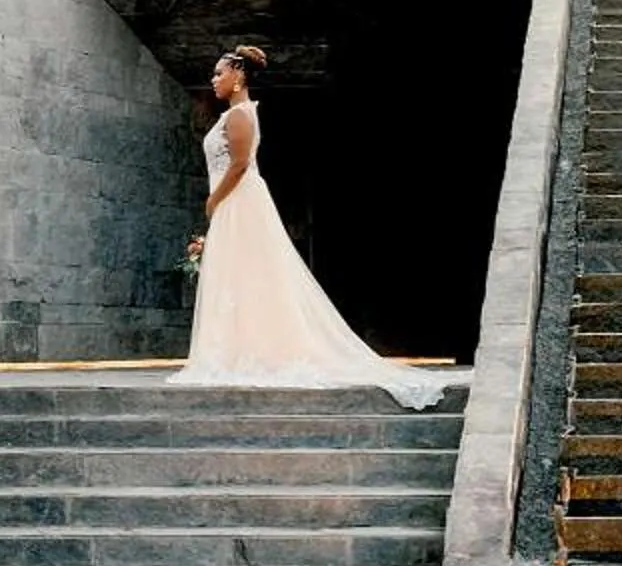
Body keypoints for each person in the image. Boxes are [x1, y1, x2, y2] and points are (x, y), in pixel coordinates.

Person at [172, 44, 444, 407]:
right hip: (236, 200)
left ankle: (250, 350)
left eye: (219, 73)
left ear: (238, 76)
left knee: (246, 272)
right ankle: (238, 347)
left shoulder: (239, 116)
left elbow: (238, 165)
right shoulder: (236, 114)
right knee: (239, 276)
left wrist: (213, 200)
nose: (214, 79)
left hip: (239, 199)